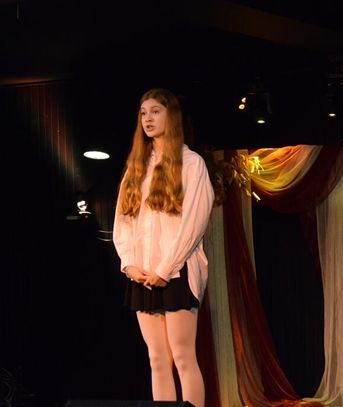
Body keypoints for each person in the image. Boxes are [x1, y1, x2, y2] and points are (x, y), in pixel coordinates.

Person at [113, 88, 214, 407]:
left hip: (176, 273)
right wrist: (129, 263)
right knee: (157, 358)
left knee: (183, 357)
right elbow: (122, 221)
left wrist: (166, 268)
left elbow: (194, 223)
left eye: (155, 111)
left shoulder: (191, 163)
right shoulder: (136, 167)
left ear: (172, 115)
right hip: (142, 273)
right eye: (143, 113)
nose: (148, 118)